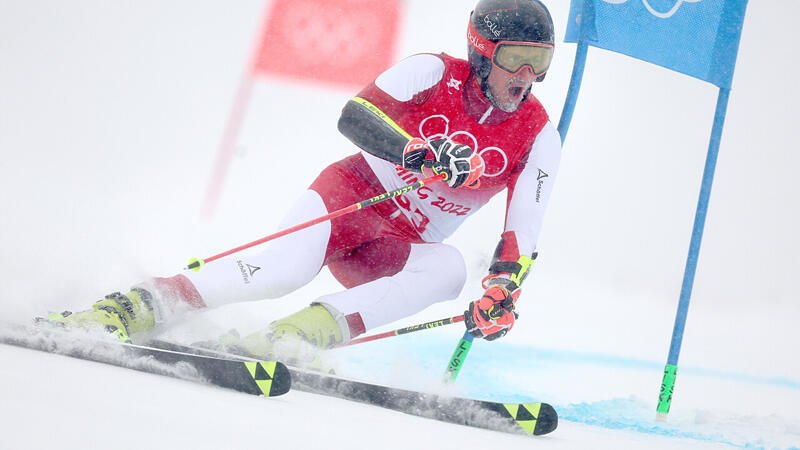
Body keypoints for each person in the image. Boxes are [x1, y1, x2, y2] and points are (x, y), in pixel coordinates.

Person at [44, 0, 562, 363]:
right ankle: (132, 307)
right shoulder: (432, 71)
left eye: (539, 62)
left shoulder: (537, 134)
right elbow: (354, 115)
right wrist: (416, 151)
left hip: (395, 247)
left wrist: (502, 289)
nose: (526, 75)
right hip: (350, 200)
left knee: (449, 272)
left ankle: (292, 337)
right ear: (480, 49)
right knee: (283, 270)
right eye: (516, 57)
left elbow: (523, 231)